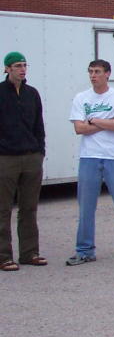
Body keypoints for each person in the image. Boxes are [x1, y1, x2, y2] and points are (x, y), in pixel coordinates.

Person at [66, 59, 114, 265]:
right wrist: (106, 122)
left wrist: (94, 120)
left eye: (97, 72)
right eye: (90, 71)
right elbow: (79, 128)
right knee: (86, 207)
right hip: (89, 157)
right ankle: (84, 250)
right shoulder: (81, 98)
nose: (93, 75)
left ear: (107, 74)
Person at [0, 51, 46, 271]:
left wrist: (40, 151)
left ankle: (29, 253)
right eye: (17, 65)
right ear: (7, 68)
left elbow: (39, 125)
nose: (22, 69)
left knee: (29, 207)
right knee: (3, 208)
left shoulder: (32, 94)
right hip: (6, 158)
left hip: (31, 157)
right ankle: (4, 256)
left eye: (24, 65)